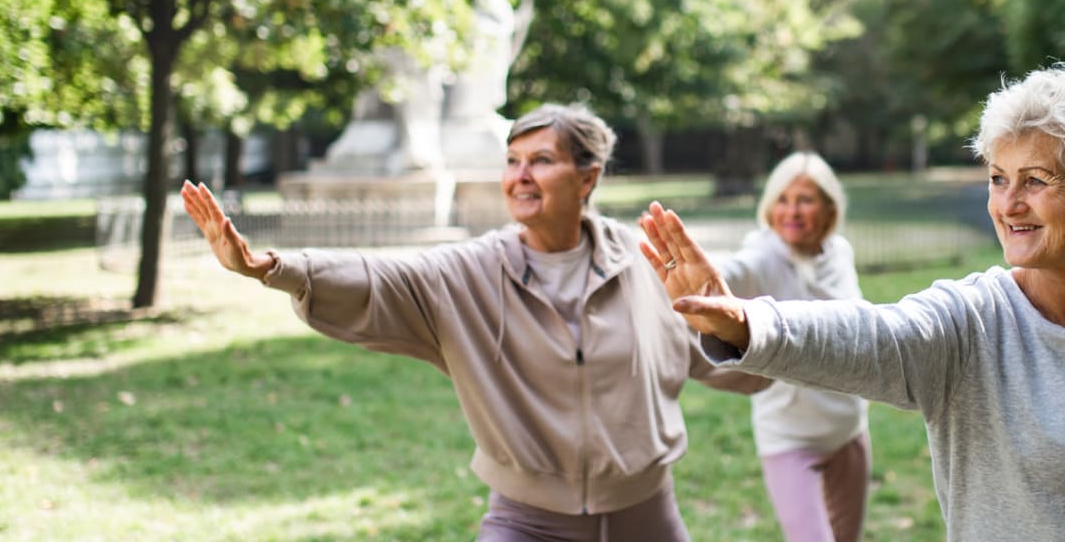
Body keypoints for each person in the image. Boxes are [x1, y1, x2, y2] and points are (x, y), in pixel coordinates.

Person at [637, 65, 1065, 541]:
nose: (1007, 204)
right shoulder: (969, 323)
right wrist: (745, 321)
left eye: (1036, 181)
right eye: (996, 178)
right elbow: (873, 337)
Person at [180, 104, 769, 542]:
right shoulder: (472, 270)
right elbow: (381, 278)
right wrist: (271, 267)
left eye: (542, 161)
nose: (520, 176)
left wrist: (751, 336)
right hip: (526, 520)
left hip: (647, 513)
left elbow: (718, 351)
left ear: (587, 178)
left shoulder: (643, 262)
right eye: (513, 162)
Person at [710, 152, 871, 542]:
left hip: (848, 429)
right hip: (790, 437)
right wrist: (704, 275)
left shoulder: (840, 253)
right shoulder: (764, 255)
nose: (792, 212)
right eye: (782, 200)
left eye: (805, 200)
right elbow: (733, 270)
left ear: (830, 208)